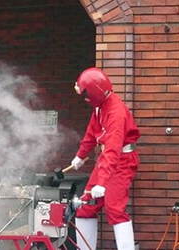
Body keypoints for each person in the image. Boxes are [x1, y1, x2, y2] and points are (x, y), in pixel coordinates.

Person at [71, 67, 140, 250]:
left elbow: (113, 149)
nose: (85, 98)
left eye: (85, 93)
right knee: (85, 206)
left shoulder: (116, 112)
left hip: (122, 160)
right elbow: (91, 133)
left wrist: (101, 183)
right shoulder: (100, 106)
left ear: (93, 91)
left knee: (114, 209)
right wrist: (80, 155)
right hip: (108, 158)